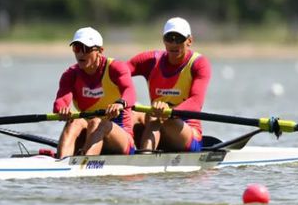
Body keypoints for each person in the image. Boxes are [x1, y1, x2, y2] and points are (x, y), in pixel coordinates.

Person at [128, 17, 212, 152]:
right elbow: (116, 75)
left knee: (157, 118)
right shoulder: (150, 60)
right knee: (132, 113)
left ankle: (144, 157)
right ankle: (116, 153)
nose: (174, 43)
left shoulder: (198, 64)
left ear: (189, 41)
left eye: (179, 39)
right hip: (156, 124)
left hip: (187, 133)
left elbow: (196, 103)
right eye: (169, 38)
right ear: (163, 40)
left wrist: (169, 112)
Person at [53, 27, 137, 157]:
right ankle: (60, 163)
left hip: (121, 137)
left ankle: (84, 163)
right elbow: (61, 99)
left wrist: (120, 103)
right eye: (77, 48)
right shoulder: (70, 74)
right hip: (90, 134)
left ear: (100, 51)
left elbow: (129, 91)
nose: (81, 53)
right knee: (74, 121)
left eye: (86, 49)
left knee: (97, 122)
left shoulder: (115, 68)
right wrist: (62, 109)